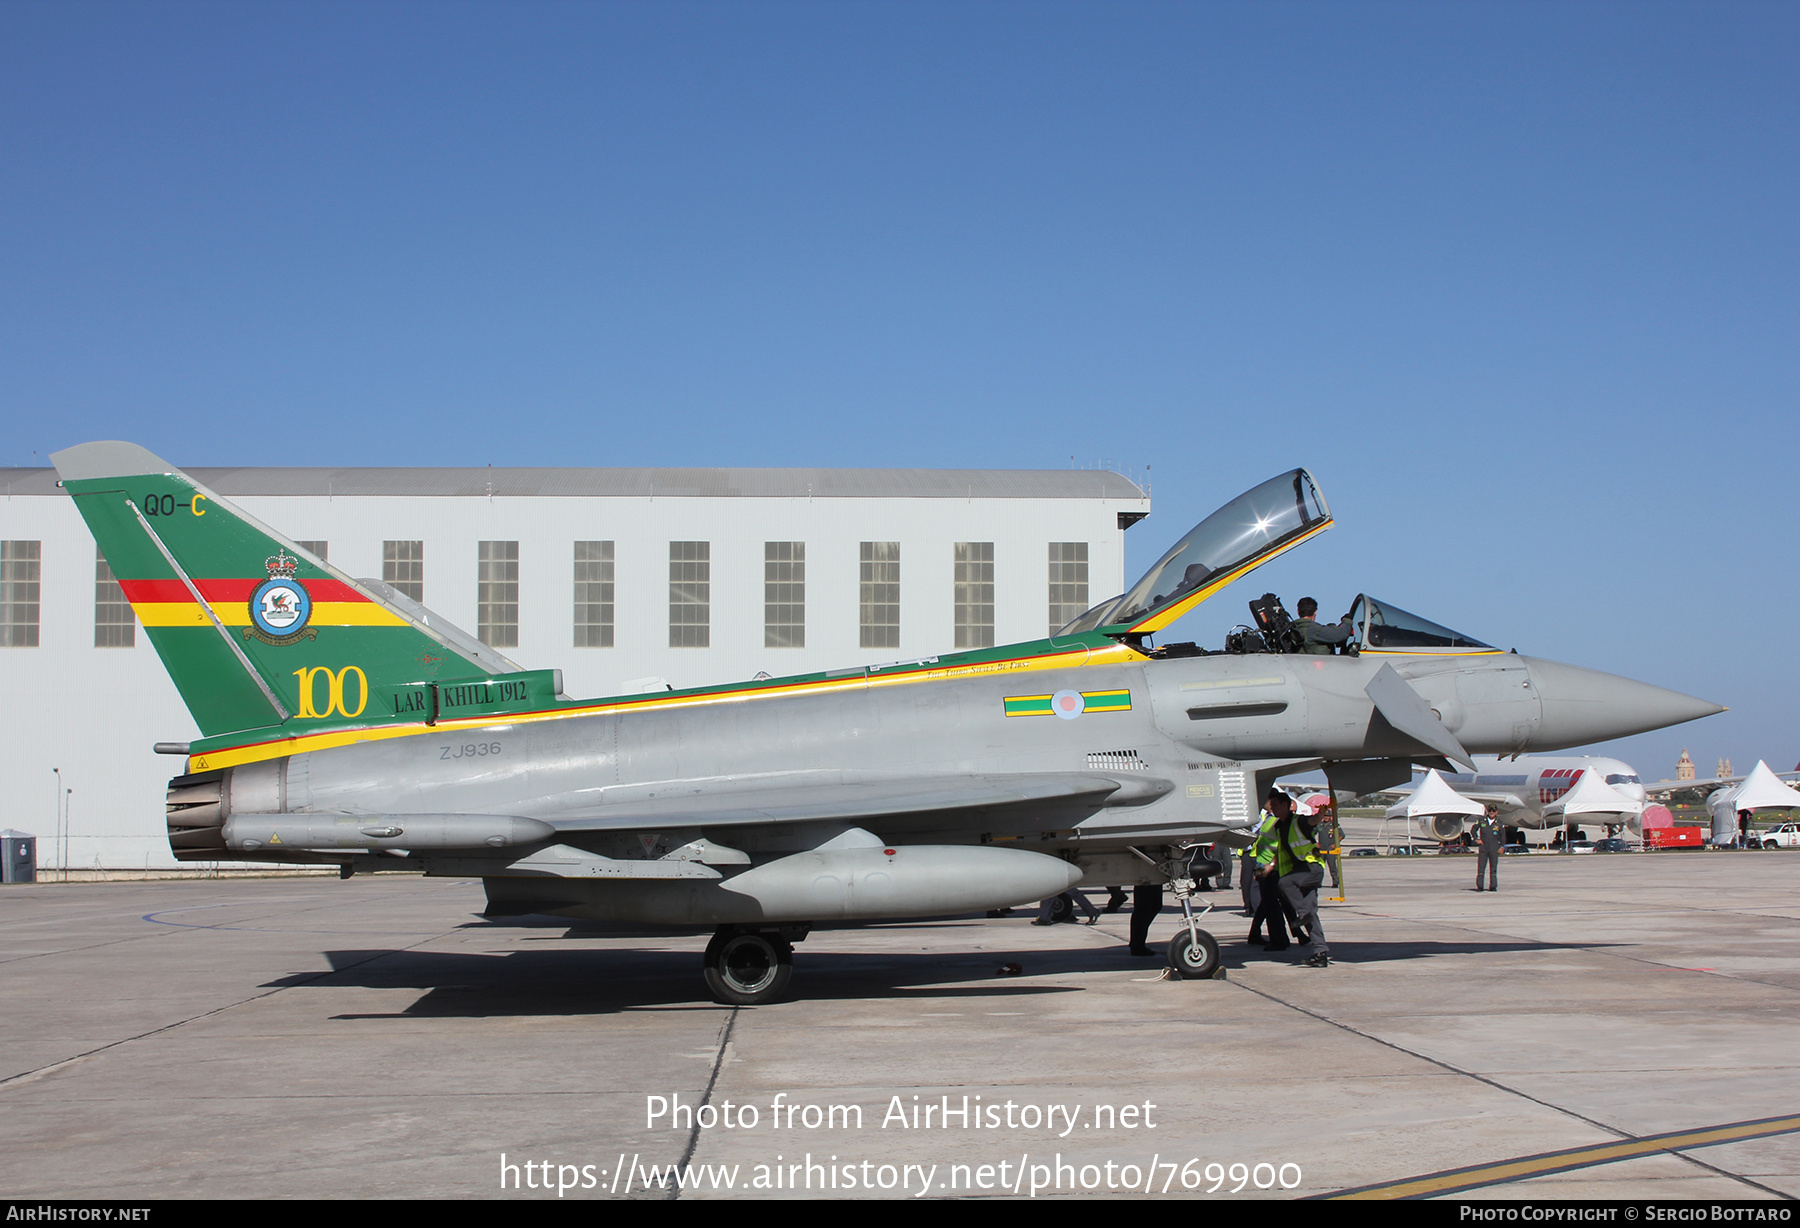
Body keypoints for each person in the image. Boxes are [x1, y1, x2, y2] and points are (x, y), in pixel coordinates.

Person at [1267, 791, 1330, 967]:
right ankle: (1320, 953)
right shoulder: (1279, 826)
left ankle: (1303, 913)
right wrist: (1271, 865)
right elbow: (1282, 849)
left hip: (1312, 869)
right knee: (1311, 916)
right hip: (1299, 872)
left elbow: (1313, 821)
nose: (1272, 809)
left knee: (1285, 883)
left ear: (1286, 805)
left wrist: (1321, 814)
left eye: (1275, 805)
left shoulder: (1299, 821)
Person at [1247, 793, 1295, 951]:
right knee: (1265, 902)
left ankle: (1279, 939)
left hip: (1271, 867)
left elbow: (1281, 845)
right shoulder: (1267, 818)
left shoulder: (1276, 821)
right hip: (1261, 864)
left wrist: (1272, 864)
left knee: (1272, 904)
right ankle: (1255, 934)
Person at [1474, 803, 1503, 891]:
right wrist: (1476, 839)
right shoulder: (1482, 820)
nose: (1491, 812)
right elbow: (1473, 830)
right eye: (1490, 810)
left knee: (1493, 868)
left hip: (1494, 848)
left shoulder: (1499, 823)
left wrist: (1501, 846)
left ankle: (1493, 886)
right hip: (1483, 847)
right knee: (1481, 868)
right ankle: (1480, 887)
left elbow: (1502, 836)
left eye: (1493, 811)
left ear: (1497, 812)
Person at [1128, 883, 1163, 956]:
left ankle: (1137, 943)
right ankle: (1137, 945)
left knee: (1154, 906)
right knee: (1144, 908)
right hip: (1146, 877)